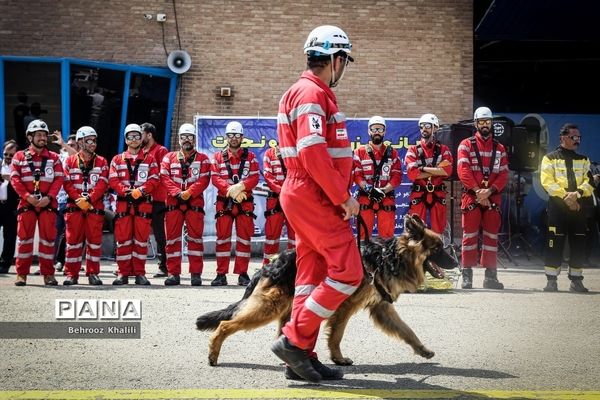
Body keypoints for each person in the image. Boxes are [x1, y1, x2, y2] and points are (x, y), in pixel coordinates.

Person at [270, 25, 362, 382]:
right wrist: (343, 197)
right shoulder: (310, 93)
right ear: (336, 59)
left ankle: (301, 358)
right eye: (345, 61)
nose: (344, 68)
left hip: (305, 191)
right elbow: (312, 151)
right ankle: (293, 339)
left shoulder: (306, 92)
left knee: (310, 277)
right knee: (349, 271)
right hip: (313, 193)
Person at [457, 106, 508, 290]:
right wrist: (479, 191)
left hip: (492, 198)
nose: (485, 125)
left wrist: (489, 191)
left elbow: (503, 175)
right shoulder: (466, 144)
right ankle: (467, 276)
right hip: (472, 197)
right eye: (481, 122)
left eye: (487, 122)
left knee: (491, 237)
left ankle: (490, 277)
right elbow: (463, 171)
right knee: (469, 237)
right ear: (475, 123)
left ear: (491, 123)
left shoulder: (500, 148)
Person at [540, 123, 594, 292]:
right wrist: (566, 197)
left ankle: (576, 280)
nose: (577, 140)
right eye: (573, 137)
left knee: (578, 243)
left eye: (579, 137)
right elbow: (547, 182)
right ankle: (551, 280)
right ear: (563, 138)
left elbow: (590, 182)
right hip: (558, 207)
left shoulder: (584, 159)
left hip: (578, 207)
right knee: (554, 243)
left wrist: (576, 195)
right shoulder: (549, 158)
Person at [10, 120, 64, 286]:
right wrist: (27, 196)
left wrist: (50, 197)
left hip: (48, 205)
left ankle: (48, 274)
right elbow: (15, 178)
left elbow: (59, 178)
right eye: (38, 135)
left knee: (48, 241)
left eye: (44, 135)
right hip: (27, 204)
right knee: (24, 240)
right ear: (29, 137)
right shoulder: (19, 157)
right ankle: (21, 274)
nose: (42, 138)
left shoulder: (54, 158)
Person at [108, 124, 159, 285]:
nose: (134, 139)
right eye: (130, 137)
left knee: (141, 241)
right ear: (126, 139)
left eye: (137, 136)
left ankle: (140, 274)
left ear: (141, 138)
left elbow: (154, 179)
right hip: (124, 205)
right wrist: (125, 191)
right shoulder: (117, 160)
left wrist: (142, 190)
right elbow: (113, 179)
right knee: (123, 241)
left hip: (142, 204)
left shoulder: (149, 159)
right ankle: (122, 273)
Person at [160, 123, 211, 286]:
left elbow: (204, 179)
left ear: (194, 139)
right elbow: (165, 178)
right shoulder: (168, 157)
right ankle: (173, 274)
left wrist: (190, 192)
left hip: (194, 203)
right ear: (179, 139)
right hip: (174, 204)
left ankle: (196, 274)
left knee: (195, 239)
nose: (186, 140)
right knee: (172, 240)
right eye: (183, 137)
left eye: (190, 137)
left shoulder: (203, 159)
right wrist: (177, 192)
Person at [210, 121, 259, 286]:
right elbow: (215, 177)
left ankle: (243, 274)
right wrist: (231, 190)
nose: (233, 138)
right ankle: (220, 274)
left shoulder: (250, 157)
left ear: (242, 137)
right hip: (224, 203)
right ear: (226, 137)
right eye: (230, 135)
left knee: (244, 239)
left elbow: (254, 177)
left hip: (244, 203)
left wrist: (241, 187)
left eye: (236, 135)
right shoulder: (217, 157)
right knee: (222, 238)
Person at [61, 126, 109, 285]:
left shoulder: (102, 161)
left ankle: (93, 273)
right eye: (89, 140)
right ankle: (71, 274)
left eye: (94, 140)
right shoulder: (69, 161)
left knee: (94, 242)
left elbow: (103, 183)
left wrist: (89, 200)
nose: (93, 144)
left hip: (94, 208)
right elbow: (67, 183)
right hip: (74, 208)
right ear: (80, 142)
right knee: (73, 242)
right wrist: (78, 199)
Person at [353, 116, 402, 239]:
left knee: (387, 237)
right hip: (365, 196)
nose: (377, 132)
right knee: (363, 237)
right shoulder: (359, 152)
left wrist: (383, 190)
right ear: (369, 131)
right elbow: (357, 175)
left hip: (386, 197)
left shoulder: (393, 153)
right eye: (374, 129)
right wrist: (369, 189)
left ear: (384, 131)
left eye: (380, 129)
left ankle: (385, 258)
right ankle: (362, 258)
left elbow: (397, 176)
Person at [404, 113, 453, 234]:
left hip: (438, 194)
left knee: (438, 230)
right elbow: (412, 175)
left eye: (427, 125)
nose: (424, 129)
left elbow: (448, 171)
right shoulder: (413, 150)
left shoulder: (444, 149)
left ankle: (436, 252)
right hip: (419, 194)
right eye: (421, 126)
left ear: (435, 128)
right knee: (415, 230)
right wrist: (437, 170)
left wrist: (422, 168)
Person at [141, 122, 169, 278]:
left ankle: (163, 266)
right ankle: (133, 266)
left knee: (159, 235)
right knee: (139, 234)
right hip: (142, 199)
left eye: (142, 133)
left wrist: (148, 188)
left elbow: (161, 174)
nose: (139, 137)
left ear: (149, 135)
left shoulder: (161, 151)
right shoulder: (140, 151)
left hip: (158, 199)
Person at [261, 143, 295, 264]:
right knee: (272, 237)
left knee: (295, 238)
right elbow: (268, 175)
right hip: (275, 201)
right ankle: (268, 269)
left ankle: (294, 270)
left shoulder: (297, 152)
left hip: (294, 200)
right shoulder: (270, 154)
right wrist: (282, 192)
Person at [51, 133, 78, 274]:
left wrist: (64, 144)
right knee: (56, 233)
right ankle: (53, 262)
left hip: (73, 200)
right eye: (69, 144)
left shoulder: (77, 157)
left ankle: (67, 261)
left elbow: (76, 154)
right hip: (58, 200)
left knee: (70, 234)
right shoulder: (60, 156)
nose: (69, 147)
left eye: (73, 145)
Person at [0, 140, 18, 273]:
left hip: (12, 206)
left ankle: (5, 263)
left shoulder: (18, 167)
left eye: (12, 155)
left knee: (10, 236)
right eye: (6, 154)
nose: (8, 157)